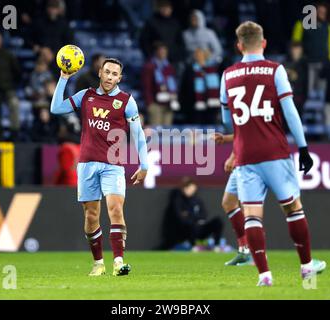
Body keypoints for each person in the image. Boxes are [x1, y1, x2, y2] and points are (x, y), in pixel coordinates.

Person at [221, 21, 326, 286]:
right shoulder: (275, 70)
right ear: (264, 43)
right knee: (293, 207)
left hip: (246, 157)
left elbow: (227, 121)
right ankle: (306, 267)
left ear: (239, 45)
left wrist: (237, 146)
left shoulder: (228, 75)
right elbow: (290, 112)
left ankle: (264, 275)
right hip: (275, 152)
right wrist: (303, 148)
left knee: (253, 215)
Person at [50, 58, 148, 276]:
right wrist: (63, 78)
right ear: (100, 73)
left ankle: (119, 262)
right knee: (91, 216)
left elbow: (138, 134)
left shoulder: (126, 101)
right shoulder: (86, 95)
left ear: (119, 78)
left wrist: (144, 163)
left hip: (113, 165)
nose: (110, 77)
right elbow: (56, 108)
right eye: (107, 72)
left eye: (115, 74)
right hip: (86, 164)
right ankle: (98, 263)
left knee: (115, 208)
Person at [211, 133, 252, 266]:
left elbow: (248, 132)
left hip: (250, 159)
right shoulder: (232, 113)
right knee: (228, 203)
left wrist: (232, 156)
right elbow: (240, 133)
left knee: (250, 208)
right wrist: (225, 138)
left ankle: (256, 253)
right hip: (241, 161)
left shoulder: (240, 111)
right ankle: (244, 251)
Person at [160, 177, 223, 251]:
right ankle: (193, 246)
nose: (191, 191)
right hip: (185, 231)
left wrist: (191, 216)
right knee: (189, 224)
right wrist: (194, 219)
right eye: (188, 188)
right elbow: (181, 219)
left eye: (192, 189)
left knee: (218, 221)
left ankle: (216, 246)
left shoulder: (197, 200)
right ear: (184, 188)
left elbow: (204, 214)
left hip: (200, 228)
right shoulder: (178, 201)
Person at [292, 2, 330, 95]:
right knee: (307, 90)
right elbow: (295, 43)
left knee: (322, 90)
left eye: (324, 12)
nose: (322, 14)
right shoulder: (301, 24)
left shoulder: (327, 26)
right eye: (320, 12)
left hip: (323, 62)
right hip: (307, 63)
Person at [141, 42, 179, 126]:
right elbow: (146, 86)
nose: (163, 53)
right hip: (155, 104)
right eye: (161, 51)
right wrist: (149, 103)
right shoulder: (150, 66)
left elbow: (173, 84)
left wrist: (174, 99)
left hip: (168, 104)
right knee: (155, 132)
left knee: (167, 132)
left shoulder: (169, 67)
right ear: (156, 52)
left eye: (165, 51)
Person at [180, 47, 220, 124]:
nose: (198, 56)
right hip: (193, 107)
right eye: (196, 54)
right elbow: (184, 88)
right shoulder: (189, 69)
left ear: (205, 55)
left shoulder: (213, 69)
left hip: (211, 107)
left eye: (200, 54)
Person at [139, 0, 184, 65]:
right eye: (163, 7)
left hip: (173, 60)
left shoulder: (175, 23)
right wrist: (149, 55)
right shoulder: (152, 22)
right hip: (155, 60)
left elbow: (180, 42)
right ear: (159, 8)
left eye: (168, 8)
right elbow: (144, 40)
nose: (166, 10)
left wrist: (177, 56)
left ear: (171, 9)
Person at [283, 42, 308, 117]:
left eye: (298, 49)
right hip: (287, 97)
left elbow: (306, 82)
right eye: (295, 49)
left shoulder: (304, 63)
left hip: (299, 97)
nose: (297, 51)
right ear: (291, 50)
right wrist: (290, 73)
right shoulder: (286, 62)